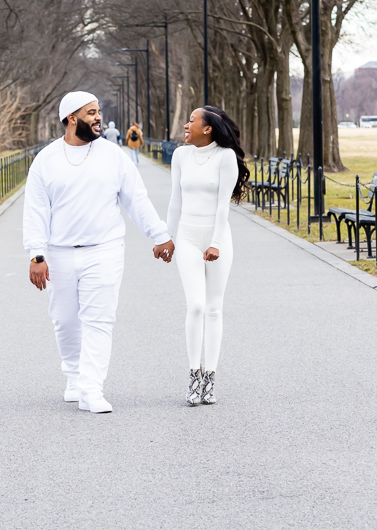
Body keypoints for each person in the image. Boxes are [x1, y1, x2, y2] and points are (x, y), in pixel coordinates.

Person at [23, 91, 176, 414]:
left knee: (99, 319)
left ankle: (92, 389)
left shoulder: (113, 155)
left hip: (104, 250)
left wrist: (160, 234)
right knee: (64, 320)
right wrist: (37, 255)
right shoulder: (46, 160)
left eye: (98, 111)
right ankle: (74, 377)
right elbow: (35, 210)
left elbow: (136, 199)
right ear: (70, 118)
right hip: (59, 252)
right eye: (90, 112)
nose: (98, 117)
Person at [166, 106, 249, 406]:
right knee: (196, 305)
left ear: (208, 128)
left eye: (191, 121)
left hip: (217, 239)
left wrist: (215, 243)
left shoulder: (225, 157)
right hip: (187, 237)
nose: (186, 125)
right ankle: (193, 373)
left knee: (214, 308)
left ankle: (210, 377)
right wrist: (167, 237)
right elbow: (175, 199)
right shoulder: (180, 156)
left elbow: (222, 206)